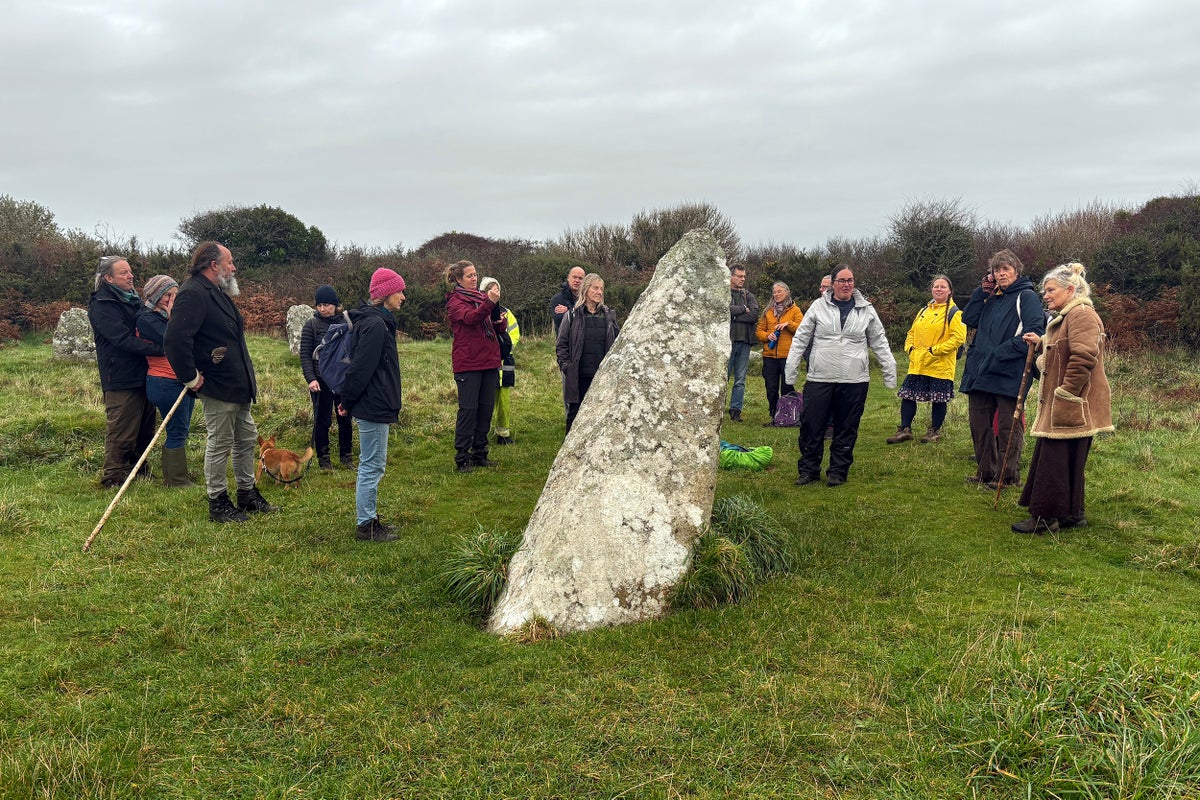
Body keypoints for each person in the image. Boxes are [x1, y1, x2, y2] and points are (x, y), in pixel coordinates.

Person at [165, 241, 276, 523]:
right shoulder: (192, 293)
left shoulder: (216, 292)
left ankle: (247, 493)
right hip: (216, 385)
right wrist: (190, 378)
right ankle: (218, 502)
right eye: (230, 262)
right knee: (220, 443)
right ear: (214, 265)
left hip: (236, 384)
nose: (234, 267)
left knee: (246, 438)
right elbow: (175, 340)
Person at [1012, 263, 1113, 534]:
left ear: (1070, 290)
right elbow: (1065, 348)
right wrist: (1041, 343)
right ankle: (1071, 515)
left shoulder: (1081, 315)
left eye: (1050, 290)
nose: (1045, 295)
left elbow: (1084, 357)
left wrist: (1066, 392)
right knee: (1069, 458)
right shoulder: (1069, 316)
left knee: (1053, 460)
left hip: (1072, 402)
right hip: (1072, 403)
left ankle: (1045, 518)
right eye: (1045, 291)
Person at [784, 265, 896, 486]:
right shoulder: (818, 306)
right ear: (833, 284)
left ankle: (838, 471)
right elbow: (801, 339)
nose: (847, 285)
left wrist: (889, 370)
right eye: (842, 281)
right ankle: (808, 470)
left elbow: (879, 341)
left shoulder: (866, 309)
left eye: (850, 280)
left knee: (847, 427)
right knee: (811, 425)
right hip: (820, 377)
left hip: (854, 379)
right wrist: (791, 370)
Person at [959, 249, 1046, 488]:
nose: (1001, 273)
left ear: (1016, 271)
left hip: (1009, 370)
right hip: (981, 370)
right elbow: (969, 319)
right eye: (996, 270)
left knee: (1009, 426)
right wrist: (980, 292)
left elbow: (1034, 332)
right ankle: (985, 472)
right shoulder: (990, 296)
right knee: (979, 424)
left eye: (1006, 269)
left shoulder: (1026, 296)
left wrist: (999, 353)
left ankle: (1007, 477)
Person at [338, 268, 405, 542]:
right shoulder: (376, 325)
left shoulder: (376, 322)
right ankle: (366, 525)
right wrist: (346, 400)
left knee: (372, 464)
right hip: (373, 404)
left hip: (373, 402)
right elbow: (360, 368)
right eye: (399, 291)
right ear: (386, 294)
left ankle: (369, 518)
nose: (403, 297)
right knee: (372, 465)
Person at [88, 256, 162, 488]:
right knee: (122, 428)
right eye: (124, 273)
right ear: (108, 278)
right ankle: (113, 476)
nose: (131, 276)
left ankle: (139, 469)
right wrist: (159, 349)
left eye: (130, 271)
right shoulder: (102, 304)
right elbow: (122, 339)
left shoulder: (133, 300)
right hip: (120, 376)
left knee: (145, 426)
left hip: (143, 372)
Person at [886, 275, 968, 444]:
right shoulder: (923, 310)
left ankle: (934, 431)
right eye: (936, 286)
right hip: (918, 362)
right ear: (931, 289)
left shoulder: (955, 313)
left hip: (940, 364)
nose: (939, 289)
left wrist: (935, 351)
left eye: (943, 287)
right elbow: (911, 332)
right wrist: (909, 348)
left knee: (939, 399)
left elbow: (958, 338)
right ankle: (905, 429)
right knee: (908, 395)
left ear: (950, 291)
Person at [135, 275, 195, 486]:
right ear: (155, 295)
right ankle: (176, 480)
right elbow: (173, 340)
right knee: (176, 430)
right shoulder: (147, 319)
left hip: (181, 380)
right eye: (168, 295)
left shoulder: (164, 317)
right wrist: (173, 317)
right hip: (164, 381)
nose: (172, 300)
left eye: (176, 295)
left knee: (182, 429)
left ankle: (175, 475)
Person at [445, 260, 505, 472]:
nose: (474, 278)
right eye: (469, 275)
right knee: (468, 411)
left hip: (489, 361)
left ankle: (480, 453)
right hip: (468, 363)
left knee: (485, 410)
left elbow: (496, 326)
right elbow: (471, 319)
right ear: (458, 279)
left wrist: (499, 318)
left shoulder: (481, 297)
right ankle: (462, 457)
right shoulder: (455, 301)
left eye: (475, 274)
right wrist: (489, 303)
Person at [299, 284, 354, 470]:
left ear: (335, 305)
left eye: (327, 305)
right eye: (319, 305)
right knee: (322, 420)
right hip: (320, 380)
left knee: (345, 418)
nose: (322, 309)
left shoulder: (347, 323)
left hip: (342, 379)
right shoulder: (311, 325)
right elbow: (305, 355)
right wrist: (311, 379)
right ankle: (324, 460)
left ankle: (347, 457)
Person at [557, 272, 620, 433]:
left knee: (601, 417)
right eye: (595, 288)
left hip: (602, 376)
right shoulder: (572, 315)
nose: (599, 292)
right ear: (586, 289)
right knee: (574, 415)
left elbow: (617, 344)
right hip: (578, 375)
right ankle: (569, 449)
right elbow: (561, 344)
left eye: (601, 289)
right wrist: (567, 366)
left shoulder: (609, 317)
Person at [479, 277, 520, 445]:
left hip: (505, 361)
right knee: (485, 400)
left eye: (497, 289)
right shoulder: (479, 310)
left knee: (504, 400)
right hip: (486, 361)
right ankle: (481, 433)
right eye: (491, 289)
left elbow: (515, 334)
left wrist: (504, 348)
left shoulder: (506, 312)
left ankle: (503, 434)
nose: (496, 292)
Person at [755, 281, 803, 423]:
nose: (776, 294)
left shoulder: (795, 310)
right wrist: (767, 336)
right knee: (771, 386)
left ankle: (788, 414)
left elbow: (802, 329)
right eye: (774, 292)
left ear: (787, 292)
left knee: (787, 386)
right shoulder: (768, 311)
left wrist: (789, 324)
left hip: (788, 355)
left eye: (779, 291)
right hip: (769, 355)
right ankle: (774, 413)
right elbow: (759, 331)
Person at [726, 263, 759, 422]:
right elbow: (724, 310)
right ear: (731, 276)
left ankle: (735, 411)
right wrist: (742, 309)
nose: (743, 279)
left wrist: (734, 316)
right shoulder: (723, 292)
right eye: (739, 276)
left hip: (745, 342)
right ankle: (717, 408)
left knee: (740, 379)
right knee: (723, 377)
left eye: (744, 276)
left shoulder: (748, 295)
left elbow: (754, 316)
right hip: (727, 342)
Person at [549, 266, 585, 334]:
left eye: (580, 278)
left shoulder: (587, 299)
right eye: (574, 277)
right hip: (565, 339)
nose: (577, 281)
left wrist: (568, 311)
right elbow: (560, 321)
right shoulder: (557, 299)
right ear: (568, 278)